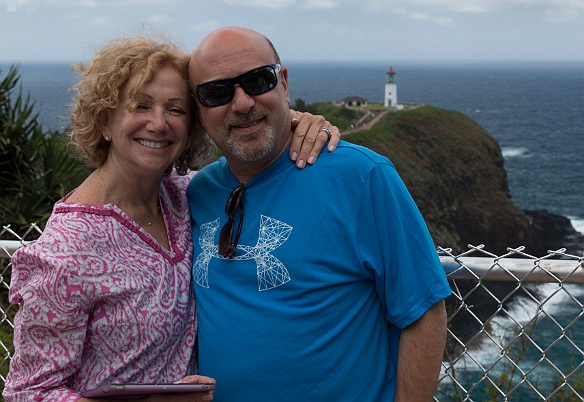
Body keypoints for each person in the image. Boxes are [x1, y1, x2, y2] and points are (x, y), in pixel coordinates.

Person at [3, 36, 340, 402]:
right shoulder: (66, 250)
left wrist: (298, 123)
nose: (159, 124)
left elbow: (252, 159)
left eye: (176, 109)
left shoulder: (187, 196)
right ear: (103, 120)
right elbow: (28, 393)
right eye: (141, 106)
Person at [186, 26, 452, 401]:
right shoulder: (195, 192)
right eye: (217, 92)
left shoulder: (361, 177)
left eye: (258, 80)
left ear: (284, 83)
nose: (242, 103)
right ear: (198, 109)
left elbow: (423, 311)